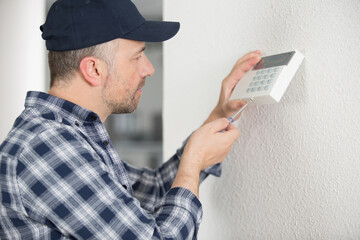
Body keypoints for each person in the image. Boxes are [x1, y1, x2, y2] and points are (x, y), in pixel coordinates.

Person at [0, 0, 261, 239]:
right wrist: (192, 163)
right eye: (137, 56)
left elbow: (157, 189)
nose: (149, 68)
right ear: (94, 69)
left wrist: (218, 116)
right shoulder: (49, 148)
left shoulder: (70, 135)